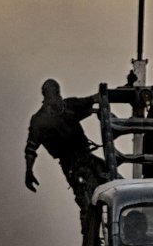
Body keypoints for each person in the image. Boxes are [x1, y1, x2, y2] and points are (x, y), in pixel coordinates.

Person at [24, 79, 111, 212]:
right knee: (87, 202)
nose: (56, 97)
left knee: (114, 182)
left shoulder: (69, 106)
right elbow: (31, 148)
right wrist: (29, 171)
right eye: (52, 94)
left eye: (57, 93)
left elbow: (94, 99)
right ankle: (90, 226)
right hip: (72, 166)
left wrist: (116, 94)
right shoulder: (39, 121)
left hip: (87, 158)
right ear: (46, 96)